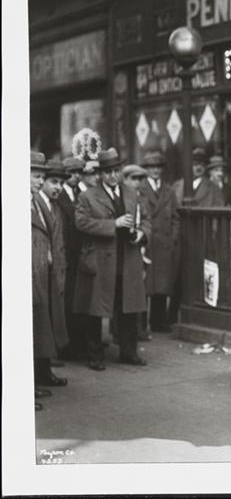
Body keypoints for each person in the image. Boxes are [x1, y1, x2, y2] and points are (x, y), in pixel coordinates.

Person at [73, 148, 151, 371]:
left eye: (116, 171)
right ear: (100, 174)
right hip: (101, 260)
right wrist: (112, 225)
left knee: (129, 306)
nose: (113, 175)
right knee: (96, 309)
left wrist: (142, 234)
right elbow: (81, 223)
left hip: (128, 257)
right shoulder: (88, 196)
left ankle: (129, 352)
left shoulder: (131, 193)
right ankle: (95, 355)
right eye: (108, 172)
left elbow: (146, 219)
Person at [32, 157, 70, 401]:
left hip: (46, 271)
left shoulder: (43, 204)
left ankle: (43, 373)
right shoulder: (27, 202)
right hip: (34, 272)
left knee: (44, 325)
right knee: (36, 327)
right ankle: (32, 381)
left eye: (41, 177)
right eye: (36, 176)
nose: (40, 181)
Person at [138, 151, 180, 334]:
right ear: (146, 170)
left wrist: (173, 237)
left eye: (158, 167)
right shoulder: (140, 188)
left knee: (161, 284)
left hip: (163, 243)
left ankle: (158, 322)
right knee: (144, 285)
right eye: (151, 167)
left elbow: (176, 217)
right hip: (147, 241)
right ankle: (140, 325)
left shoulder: (169, 190)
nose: (155, 170)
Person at [54, 157, 87, 361]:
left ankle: (77, 342)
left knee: (77, 300)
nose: (76, 176)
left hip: (80, 254)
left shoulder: (82, 193)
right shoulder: (59, 196)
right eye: (72, 172)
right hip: (66, 253)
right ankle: (64, 346)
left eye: (79, 172)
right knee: (65, 301)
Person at [121, 164, 152, 341]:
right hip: (123, 247)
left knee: (139, 288)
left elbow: (147, 220)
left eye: (140, 179)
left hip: (139, 246)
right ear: (125, 179)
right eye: (133, 179)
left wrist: (143, 233)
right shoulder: (120, 196)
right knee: (123, 290)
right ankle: (119, 331)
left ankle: (139, 328)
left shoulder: (142, 199)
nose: (137, 183)